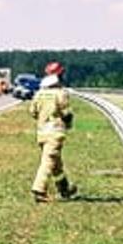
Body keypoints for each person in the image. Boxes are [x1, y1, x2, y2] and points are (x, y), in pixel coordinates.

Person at [29, 66, 77, 203]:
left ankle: (64, 188)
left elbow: (32, 112)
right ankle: (39, 189)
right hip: (55, 132)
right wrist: (67, 124)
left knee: (56, 164)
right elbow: (67, 113)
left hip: (41, 133)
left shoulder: (39, 94)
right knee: (48, 161)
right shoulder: (60, 93)